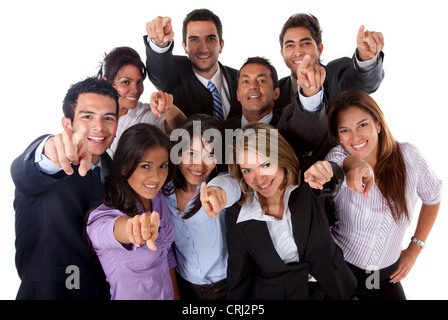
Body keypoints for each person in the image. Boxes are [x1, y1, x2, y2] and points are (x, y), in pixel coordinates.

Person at [215, 122, 356, 299]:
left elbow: (331, 181)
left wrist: (328, 172)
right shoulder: (237, 214)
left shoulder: (307, 179)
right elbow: (240, 276)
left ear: (280, 157)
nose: (259, 179)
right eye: (248, 170)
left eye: (266, 164)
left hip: (336, 288)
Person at [324, 90, 442, 300]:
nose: (356, 137)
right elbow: (343, 163)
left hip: (384, 278)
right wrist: (355, 165)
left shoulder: (408, 156)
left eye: (362, 124)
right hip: (341, 271)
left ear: (378, 124)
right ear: (338, 136)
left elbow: (433, 198)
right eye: (345, 130)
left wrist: (415, 249)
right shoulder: (338, 156)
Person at [11, 77, 119, 299]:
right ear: (67, 124)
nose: (99, 126)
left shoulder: (116, 170)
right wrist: (48, 152)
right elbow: (24, 174)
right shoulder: (50, 160)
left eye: (108, 118)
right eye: (87, 116)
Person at [276, 14, 385, 165]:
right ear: (282, 53)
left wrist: (366, 58)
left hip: (343, 173)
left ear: (320, 49)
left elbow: (364, 82)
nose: (297, 51)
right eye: (289, 45)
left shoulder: (336, 74)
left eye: (305, 43)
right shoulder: (275, 92)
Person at [86, 123, 179, 300]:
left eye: (163, 166)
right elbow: (111, 230)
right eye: (145, 166)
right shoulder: (102, 217)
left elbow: (166, 254)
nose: (157, 177)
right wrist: (133, 227)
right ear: (124, 166)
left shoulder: (157, 198)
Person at [166, 114, 240, 300]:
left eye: (210, 155)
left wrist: (218, 193)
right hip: (185, 283)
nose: (199, 165)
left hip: (225, 284)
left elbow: (232, 185)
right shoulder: (163, 191)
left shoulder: (219, 181)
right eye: (191, 153)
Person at [144, 9, 242, 120]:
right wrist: (160, 42)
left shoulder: (241, 78)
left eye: (210, 39)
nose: (203, 48)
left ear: (221, 45)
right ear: (184, 47)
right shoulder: (174, 72)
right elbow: (160, 69)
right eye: (194, 39)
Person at [97, 46, 186, 157]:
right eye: (126, 82)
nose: (135, 90)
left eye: (139, 82)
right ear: (105, 81)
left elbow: (184, 131)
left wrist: (168, 108)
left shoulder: (145, 115)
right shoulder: (89, 112)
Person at [222, 57, 281, 130]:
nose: (253, 86)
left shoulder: (290, 129)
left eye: (261, 81)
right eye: (246, 81)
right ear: (238, 95)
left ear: (276, 93)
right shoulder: (221, 131)